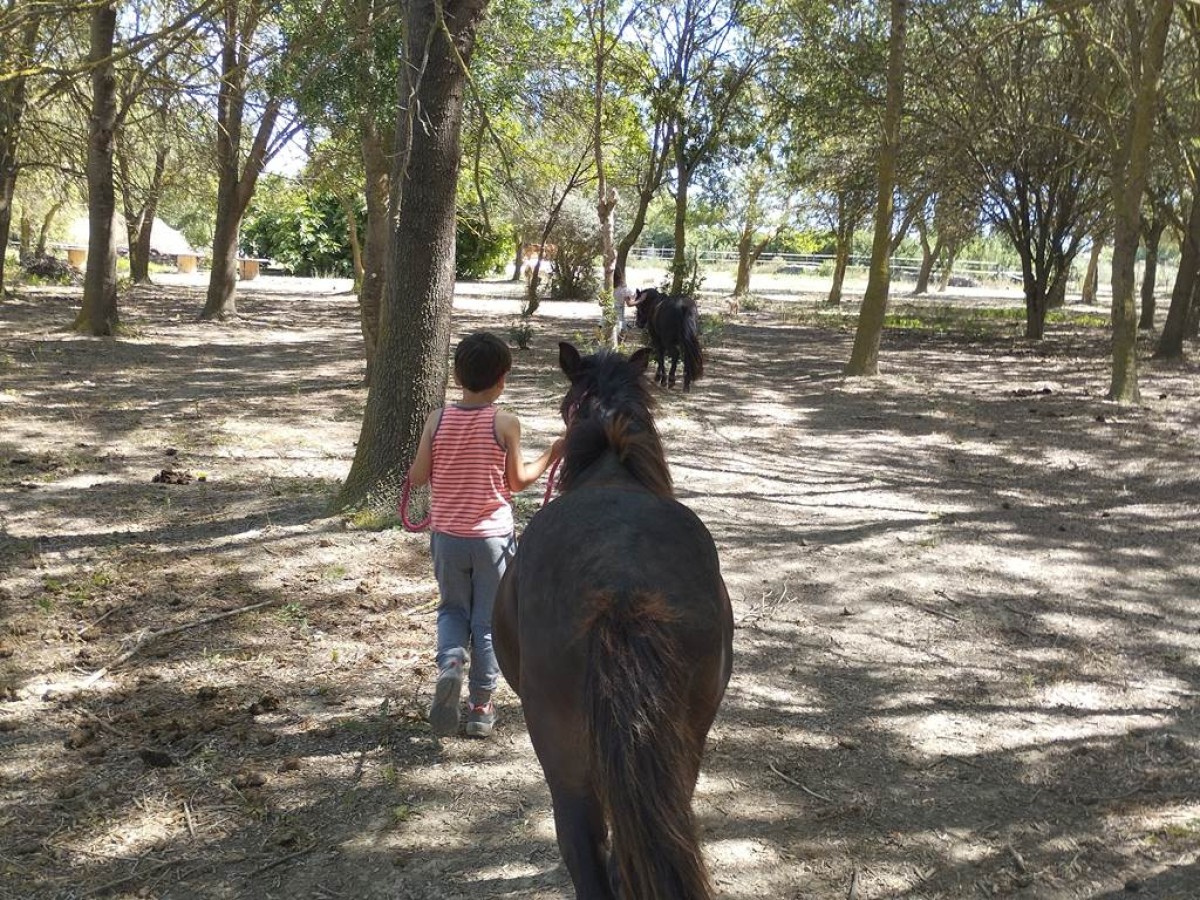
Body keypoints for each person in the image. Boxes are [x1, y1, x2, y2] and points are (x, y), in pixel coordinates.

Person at [408, 332, 562, 738]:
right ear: (503, 379)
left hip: (447, 538)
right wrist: (554, 453)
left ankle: (452, 663)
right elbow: (518, 481)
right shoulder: (505, 422)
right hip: (493, 540)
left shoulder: (437, 419)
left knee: (452, 611)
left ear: (457, 374)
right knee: (489, 623)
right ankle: (480, 707)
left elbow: (417, 476)